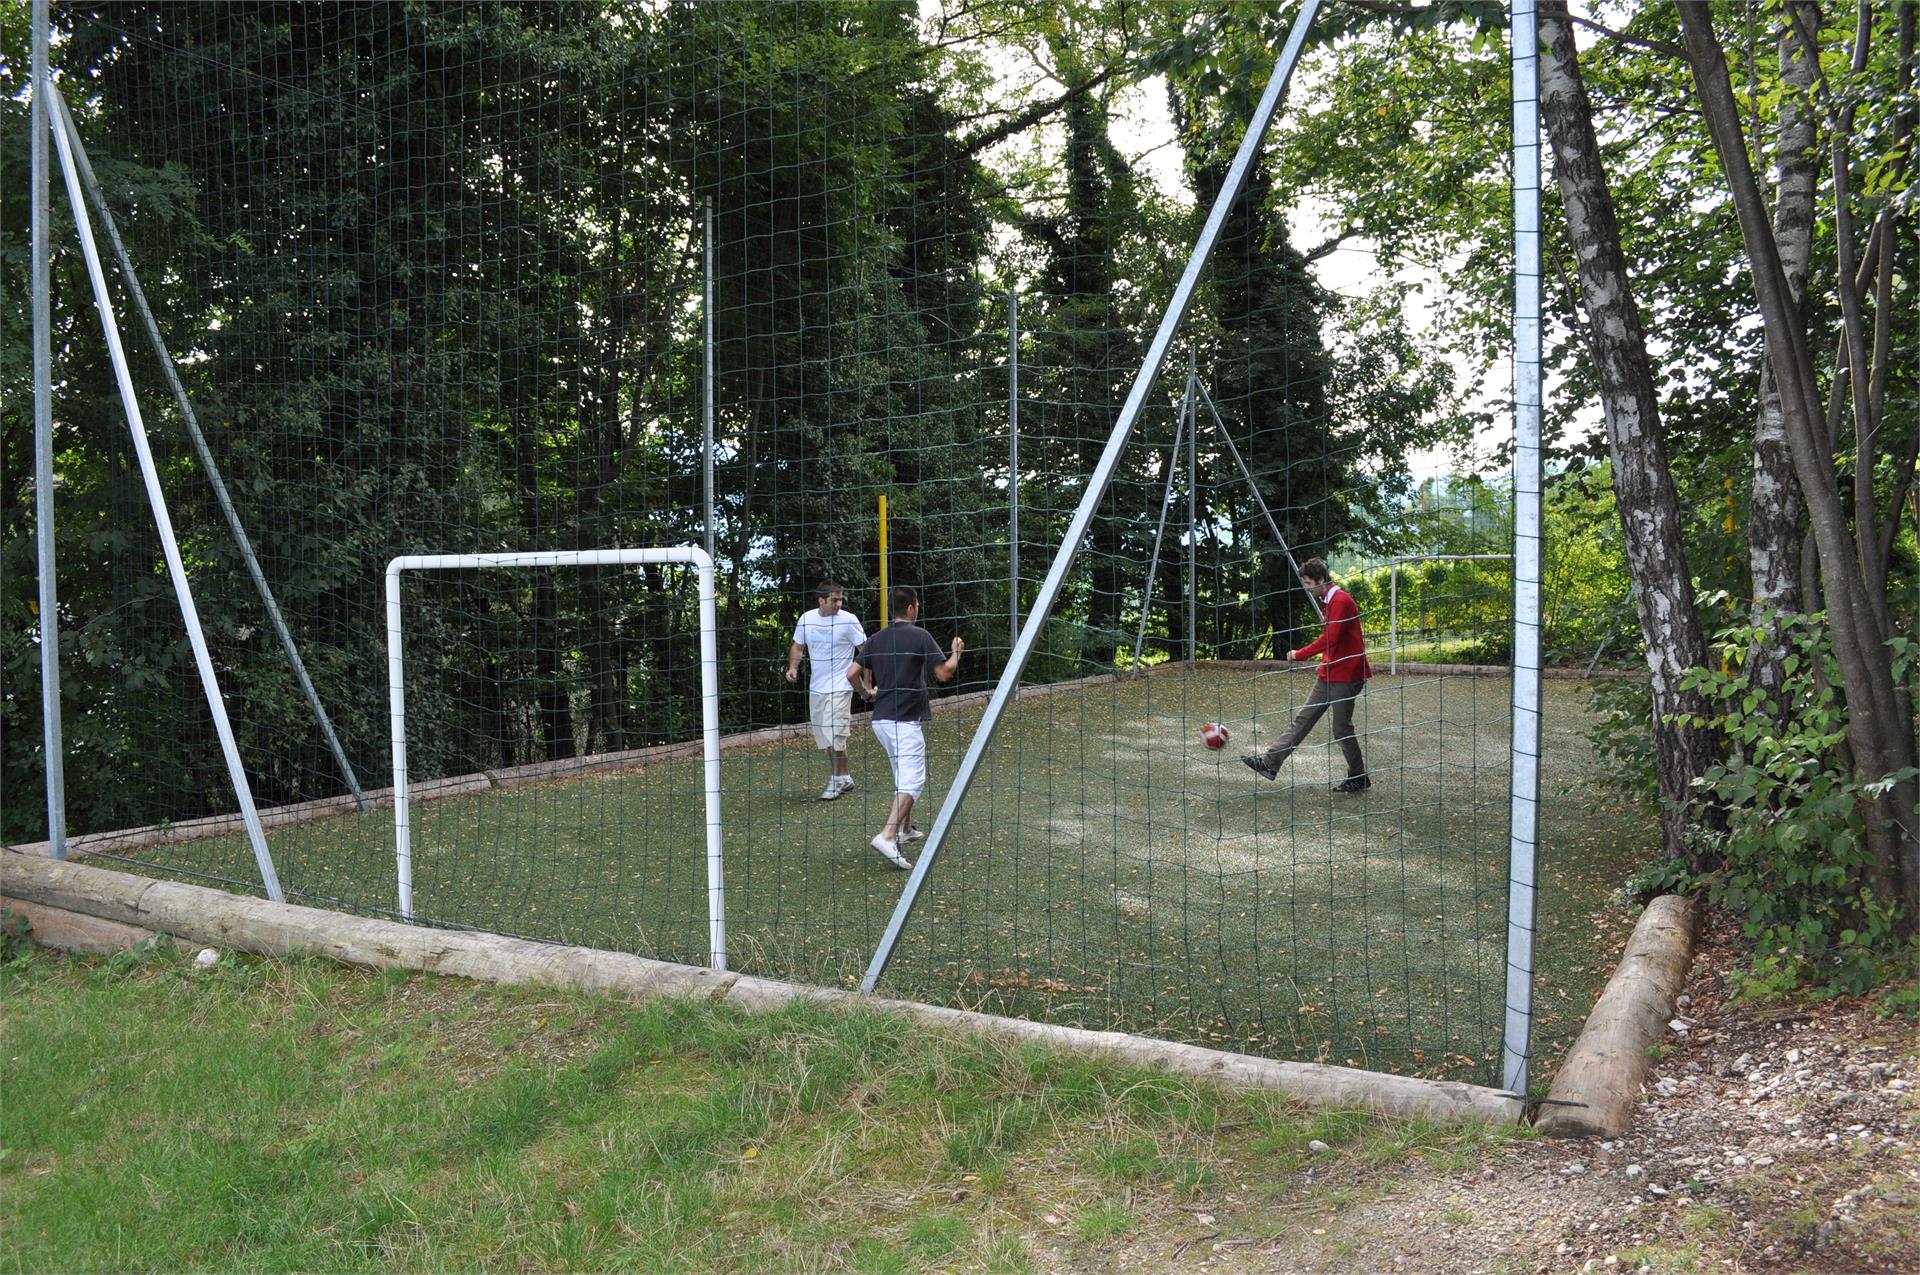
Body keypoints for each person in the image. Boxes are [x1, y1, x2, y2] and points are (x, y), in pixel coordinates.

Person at [848, 585, 963, 869]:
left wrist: (866, 693)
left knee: (903, 773)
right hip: (904, 722)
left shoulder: (876, 639)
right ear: (911, 608)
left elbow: (851, 674)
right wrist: (956, 653)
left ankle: (905, 829)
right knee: (913, 781)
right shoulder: (920, 636)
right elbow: (944, 673)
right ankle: (888, 835)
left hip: (881, 721)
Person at [1243, 557, 1372, 792]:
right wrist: (1324, 662)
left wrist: (1299, 654)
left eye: (1308, 583)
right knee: (1303, 718)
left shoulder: (1340, 600)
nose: (1306, 588)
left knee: (1342, 728)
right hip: (1331, 671)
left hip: (1347, 675)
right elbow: (1338, 640)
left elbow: (1331, 638)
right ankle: (1269, 764)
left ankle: (1358, 776)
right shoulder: (1329, 599)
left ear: (1321, 580)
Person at [787, 581, 866, 800]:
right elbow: (797, 646)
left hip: (841, 685)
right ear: (821, 600)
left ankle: (835, 780)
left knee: (836, 734)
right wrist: (793, 668)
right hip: (817, 688)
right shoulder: (807, 619)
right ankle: (845, 777)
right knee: (826, 738)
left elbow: (865, 651)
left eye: (841, 599)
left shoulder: (849, 621)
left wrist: (865, 682)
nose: (839, 604)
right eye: (835, 600)